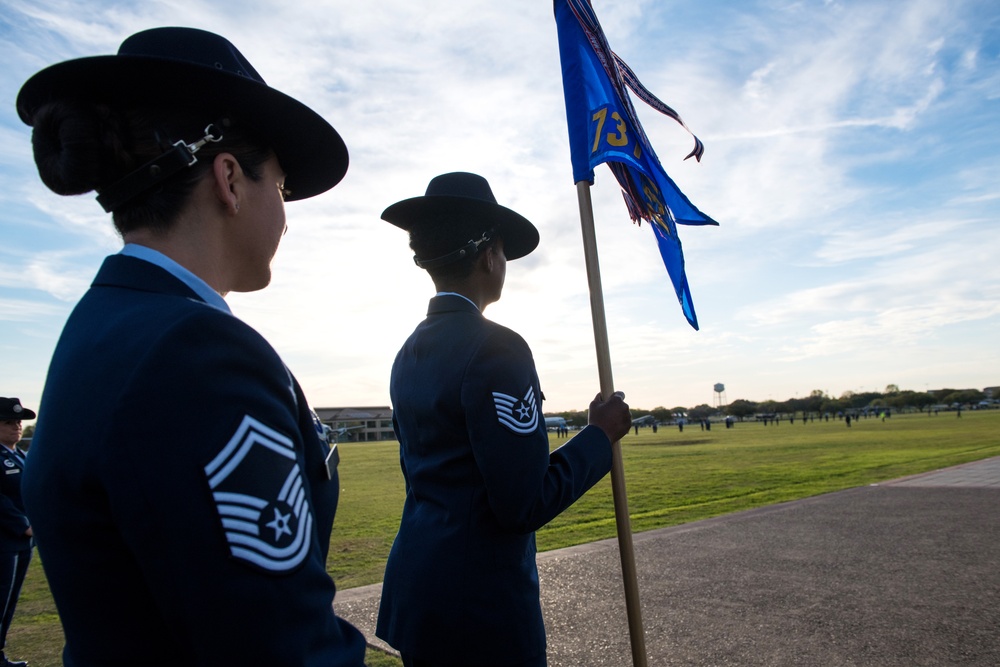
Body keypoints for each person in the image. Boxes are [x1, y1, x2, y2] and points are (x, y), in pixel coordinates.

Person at [16, 28, 365, 666]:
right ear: (229, 179)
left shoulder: (103, 323)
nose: (285, 216)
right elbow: (282, 649)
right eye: (282, 189)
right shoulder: (197, 353)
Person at [374, 172, 632, 666]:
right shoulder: (497, 348)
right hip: (480, 609)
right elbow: (522, 502)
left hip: (422, 591)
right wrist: (599, 436)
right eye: (504, 255)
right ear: (490, 254)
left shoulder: (409, 350)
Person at [0, 398, 34, 667]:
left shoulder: (20, 455)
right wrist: (23, 524)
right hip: (5, 540)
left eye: (19, 422)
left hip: (22, 542)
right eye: (9, 422)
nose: (17, 427)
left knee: (9, 601)